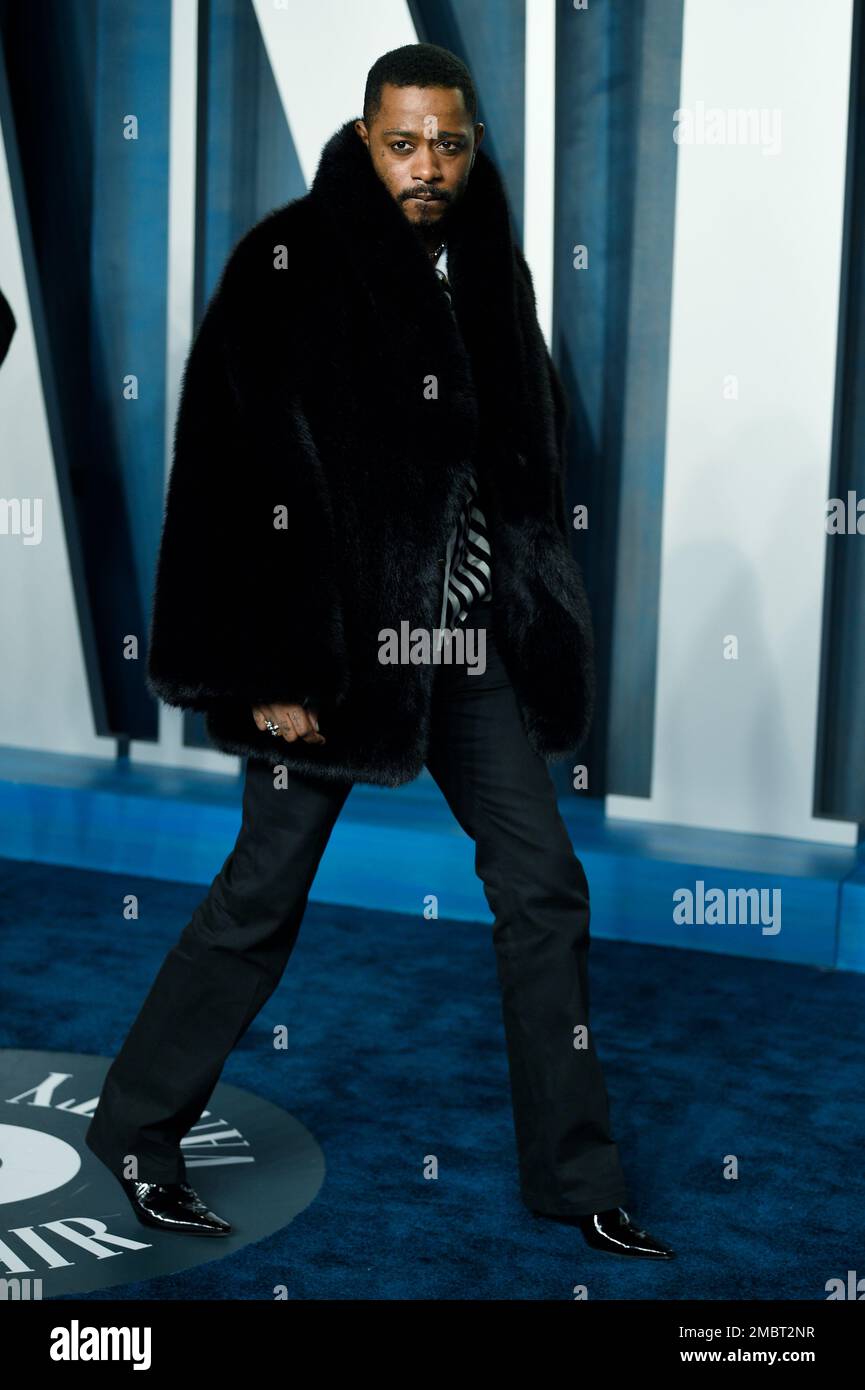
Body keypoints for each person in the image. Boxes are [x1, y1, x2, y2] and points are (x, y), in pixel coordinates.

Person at [85, 43, 674, 1261]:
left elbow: (523, 466)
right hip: (334, 660)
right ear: (365, 140)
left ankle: (576, 1180)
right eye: (403, 142)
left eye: (448, 144)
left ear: (471, 147)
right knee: (263, 893)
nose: (427, 166)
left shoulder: (494, 271)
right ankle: (137, 1128)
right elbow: (225, 480)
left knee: (542, 884)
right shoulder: (288, 262)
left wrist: (527, 610)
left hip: (465, 650)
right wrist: (267, 672)